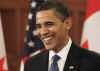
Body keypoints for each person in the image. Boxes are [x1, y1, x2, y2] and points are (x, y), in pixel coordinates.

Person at [24, 0, 100, 71]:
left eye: (49, 24)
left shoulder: (94, 62)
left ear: (67, 23)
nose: (43, 32)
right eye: (39, 26)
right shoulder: (31, 64)